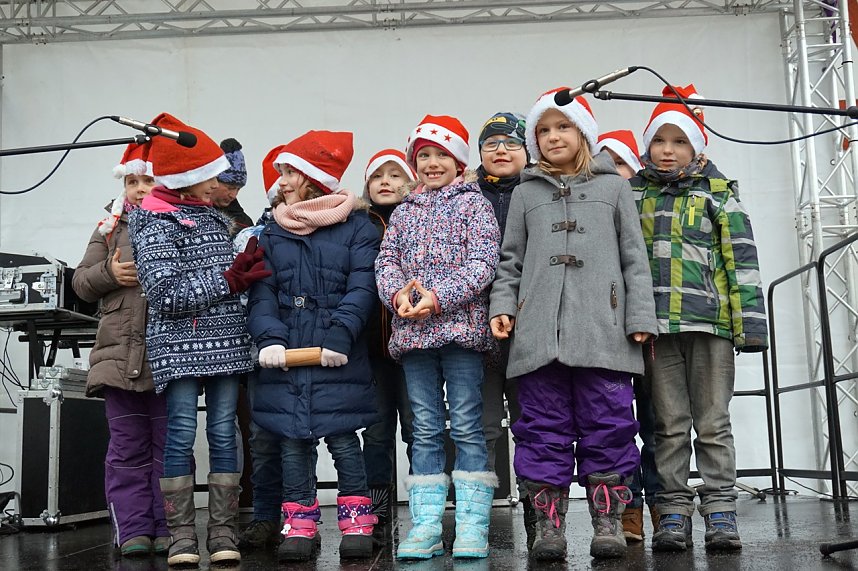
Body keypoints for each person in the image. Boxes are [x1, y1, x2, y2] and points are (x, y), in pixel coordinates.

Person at [489, 89, 657, 561]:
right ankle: (550, 527)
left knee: (609, 423)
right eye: (543, 130)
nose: (552, 136)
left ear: (583, 132)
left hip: (604, 329)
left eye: (562, 127)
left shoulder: (614, 189)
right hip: (537, 332)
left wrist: (640, 314)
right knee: (542, 428)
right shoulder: (525, 192)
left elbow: (634, 259)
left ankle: (607, 523)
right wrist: (503, 306)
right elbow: (510, 262)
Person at [629, 85, 768, 552]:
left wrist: (749, 324)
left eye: (680, 141)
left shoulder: (720, 193)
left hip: (710, 326)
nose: (668, 151)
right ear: (647, 145)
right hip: (655, 329)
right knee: (667, 423)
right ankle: (672, 513)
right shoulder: (631, 195)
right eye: (659, 141)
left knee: (712, 422)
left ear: (697, 147)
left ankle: (722, 512)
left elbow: (742, 261)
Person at [128, 112, 270, 567]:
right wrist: (228, 280)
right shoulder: (152, 218)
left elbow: (220, 276)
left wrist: (242, 271)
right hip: (178, 346)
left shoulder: (212, 216)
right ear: (187, 178)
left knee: (226, 431)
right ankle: (181, 536)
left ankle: (223, 531)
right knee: (181, 434)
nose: (219, 184)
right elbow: (164, 292)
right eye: (210, 176)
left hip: (226, 342)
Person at [246, 130, 380, 562]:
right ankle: (300, 521)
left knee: (343, 437)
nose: (281, 181)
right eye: (283, 172)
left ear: (313, 178)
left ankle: (358, 519)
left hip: (335, 351)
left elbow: (362, 286)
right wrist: (269, 337)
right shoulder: (271, 230)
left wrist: (340, 335)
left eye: (289, 172)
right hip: (286, 355)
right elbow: (261, 291)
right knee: (291, 440)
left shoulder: (357, 227)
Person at [375, 115, 500, 560]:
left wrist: (438, 297)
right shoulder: (405, 212)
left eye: (440, 154)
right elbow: (385, 261)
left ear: (459, 161)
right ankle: (426, 525)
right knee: (424, 429)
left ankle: (471, 525)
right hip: (414, 337)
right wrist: (397, 295)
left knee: (466, 425)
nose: (431, 163)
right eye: (423, 155)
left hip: (461, 333)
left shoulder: (475, 205)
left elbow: (484, 263)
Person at [72, 142, 168, 557]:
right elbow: (81, 283)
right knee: (127, 448)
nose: (140, 188)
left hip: (167, 359)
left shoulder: (179, 222)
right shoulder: (109, 229)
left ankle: (169, 526)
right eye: (133, 181)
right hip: (116, 357)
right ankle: (132, 530)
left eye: (149, 180)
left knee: (169, 449)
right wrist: (109, 272)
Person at [596, 129, 661, 543]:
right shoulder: (596, 208)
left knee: (657, 425)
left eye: (620, 163)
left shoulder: (650, 207)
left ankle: (664, 509)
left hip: (653, 334)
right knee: (617, 426)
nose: (613, 172)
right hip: (608, 335)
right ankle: (628, 511)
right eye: (606, 163)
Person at [361, 148, 416, 543]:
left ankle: (424, 506)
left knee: (420, 428)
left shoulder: (419, 219)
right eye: (378, 175)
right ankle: (376, 507)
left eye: (395, 175)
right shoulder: (357, 225)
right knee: (377, 431)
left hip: (415, 345)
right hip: (371, 351)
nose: (386, 181)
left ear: (410, 182)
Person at [235, 144, 286, 550]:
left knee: (307, 438)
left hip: (310, 349)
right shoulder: (252, 236)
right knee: (263, 437)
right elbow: (241, 296)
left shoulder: (330, 227)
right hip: (262, 353)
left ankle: (299, 517)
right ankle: (266, 516)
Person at [475, 111, 527, 494]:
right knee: (481, 425)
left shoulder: (543, 189)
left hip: (530, 327)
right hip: (477, 328)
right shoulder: (465, 194)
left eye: (511, 142)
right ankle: (477, 515)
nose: (501, 150)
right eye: (491, 144)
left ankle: (539, 513)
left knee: (533, 423)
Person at [211, 137, 253, 237]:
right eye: (229, 187)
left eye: (238, 189)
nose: (233, 195)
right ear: (213, 180)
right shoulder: (192, 214)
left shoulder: (245, 223)